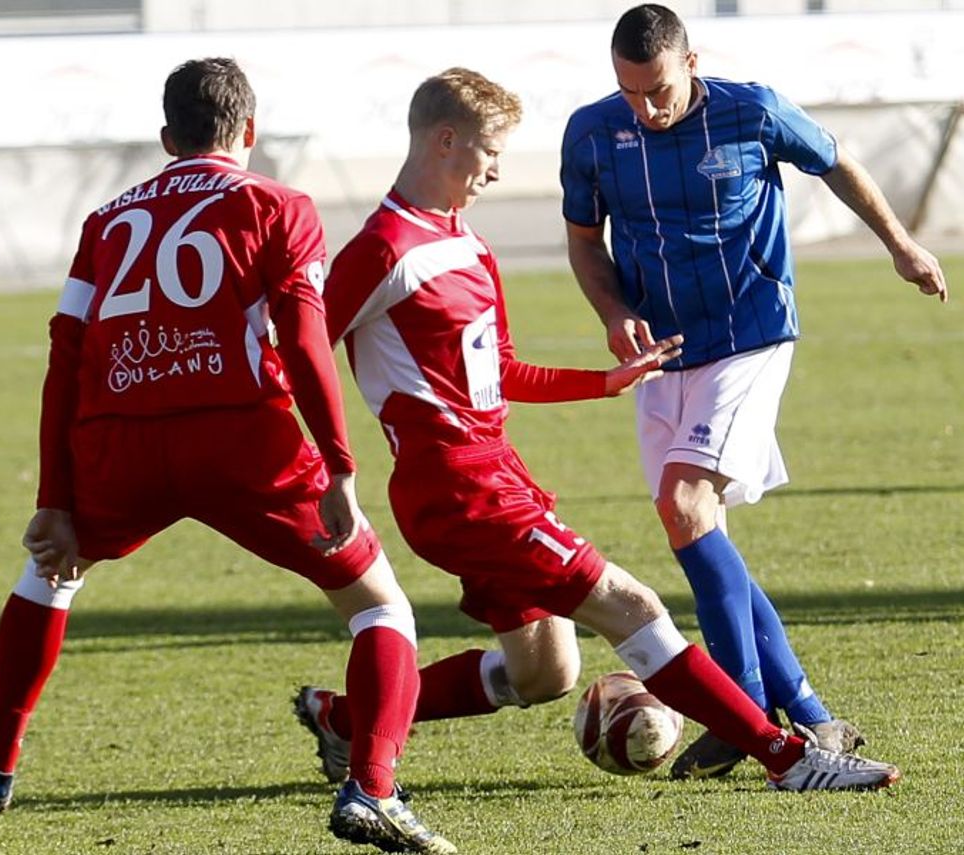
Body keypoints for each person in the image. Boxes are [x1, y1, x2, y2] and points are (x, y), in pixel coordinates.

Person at [294, 66, 901, 797]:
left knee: (545, 669)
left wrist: (603, 381)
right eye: (489, 151)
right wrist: (328, 466)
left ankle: (347, 717)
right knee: (631, 605)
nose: (495, 169)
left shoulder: (469, 246)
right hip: (459, 487)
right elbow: (299, 353)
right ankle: (787, 757)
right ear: (445, 140)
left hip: (496, 471)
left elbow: (502, 370)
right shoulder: (383, 250)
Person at [0, 57, 456, 855]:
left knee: (49, 572)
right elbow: (304, 335)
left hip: (117, 438)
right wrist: (339, 462)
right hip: (242, 437)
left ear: (165, 137)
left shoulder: (107, 219)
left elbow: (66, 355)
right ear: (249, 131)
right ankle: (373, 789)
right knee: (381, 606)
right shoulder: (278, 202)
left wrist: (55, 494)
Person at [559, 3, 948, 780]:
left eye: (659, 89)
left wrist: (902, 246)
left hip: (750, 333)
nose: (647, 107)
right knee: (698, 533)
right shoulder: (593, 132)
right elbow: (583, 241)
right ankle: (806, 713)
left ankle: (740, 710)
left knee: (685, 504)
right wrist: (613, 311)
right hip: (662, 352)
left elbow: (836, 160)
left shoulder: (752, 110)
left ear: (691, 62)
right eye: (631, 92)